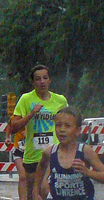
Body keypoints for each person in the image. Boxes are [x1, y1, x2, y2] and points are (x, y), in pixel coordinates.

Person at [11, 65, 68, 200]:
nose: (42, 81)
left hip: (53, 154)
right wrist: (31, 114)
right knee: (32, 193)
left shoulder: (60, 101)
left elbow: (69, 124)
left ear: (50, 80)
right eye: (38, 79)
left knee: (43, 188)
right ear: (33, 82)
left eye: (45, 78)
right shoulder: (26, 99)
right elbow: (14, 127)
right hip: (32, 155)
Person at [33, 106, 104, 200]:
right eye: (58, 125)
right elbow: (41, 167)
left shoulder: (84, 151)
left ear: (78, 130)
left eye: (67, 126)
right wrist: (36, 190)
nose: (62, 129)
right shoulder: (50, 152)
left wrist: (88, 172)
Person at [5, 115, 27, 200]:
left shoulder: (36, 115)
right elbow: (10, 124)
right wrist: (7, 137)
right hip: (19, 149)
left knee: (33, 179)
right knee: (23, 176)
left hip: (33, 151)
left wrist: (30, 133)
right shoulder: (17, 115)